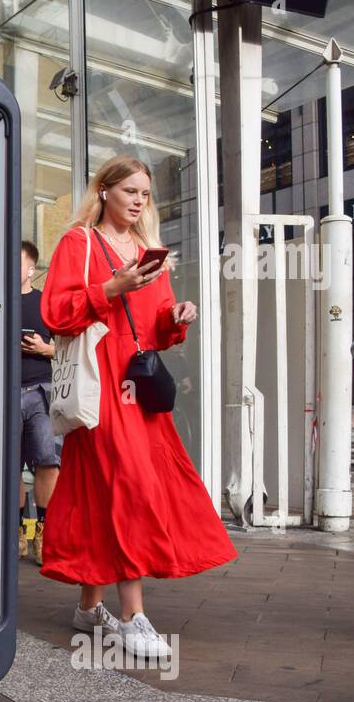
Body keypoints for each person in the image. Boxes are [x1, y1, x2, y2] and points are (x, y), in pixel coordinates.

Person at [40, 154, 236, 657]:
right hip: (98, 384)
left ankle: (89, 606)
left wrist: (177, 316)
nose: (139, 201)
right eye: (130, 191)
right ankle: (132, 615)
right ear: (104, 191)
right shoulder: (78, 242)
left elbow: (155, 332)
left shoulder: (150, 251)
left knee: (100, 492)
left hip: (136, 385)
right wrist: (111, 288)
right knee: (129, 485)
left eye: (145, 194)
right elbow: (56, 313)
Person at [18, 240, 61, 564]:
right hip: (1, 394)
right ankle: (20, 530)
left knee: (48, 461)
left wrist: (46, 350)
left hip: (41, 392)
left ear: (31, 268)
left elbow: (71, 351)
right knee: (9, 467)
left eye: (16, 262)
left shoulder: (48, 303)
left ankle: (44, 530)